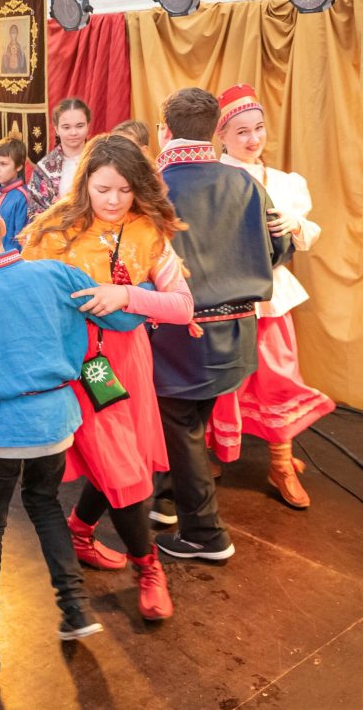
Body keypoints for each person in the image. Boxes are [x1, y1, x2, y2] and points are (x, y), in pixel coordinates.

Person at [0, 189, 149, 666]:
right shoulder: (56, 274)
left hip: (1, 434)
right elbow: (120, 312)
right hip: (59, 421)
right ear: (2, 228)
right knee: (44, 506)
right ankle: (74, 606)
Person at [22, 135, 194, 621]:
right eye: (103, 189)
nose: (115, 200)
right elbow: (29, 298)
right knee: (122, 469)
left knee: (128, 459)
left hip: (129, 360)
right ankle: (148, 568)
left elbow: (183, 307)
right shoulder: (54, 231)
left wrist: (127, 297)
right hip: (78, 364)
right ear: (84, 185)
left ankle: (79, 531)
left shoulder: (148, 232)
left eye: (124, 189)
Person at [150, 88, 292, 560]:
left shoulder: (153, 187)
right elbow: (278, 249)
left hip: (179, 334)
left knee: (182, 426)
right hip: (237, 334)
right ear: (215, 131)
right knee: (190, 425)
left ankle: (205, 534)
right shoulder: (248, 184)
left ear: (165, 130)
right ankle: (170, 500)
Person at [206, 84, 333, 509]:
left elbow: (310, 236)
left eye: (258, 128)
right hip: (224, 296)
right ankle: (215, 454)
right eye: (241, 131)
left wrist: (293, 222)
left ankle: (280, 460)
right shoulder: (210, 177)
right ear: (221, 135)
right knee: (224, 378)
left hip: (270, 294)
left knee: (277, 375)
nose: (253, 139)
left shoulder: (283, 182)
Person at [27, 97, 92, 219]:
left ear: (88, 125)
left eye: (79, 126)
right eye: (66, 127)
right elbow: (35, 212)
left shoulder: (100, 159)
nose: (73, 132)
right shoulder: (44, 168)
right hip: (58, 232)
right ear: (56, 129)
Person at [0, 135, 30, 249]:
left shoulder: (22, 197)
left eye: (3, 164)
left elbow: (21, 238)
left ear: (19, 166)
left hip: (10, 262)